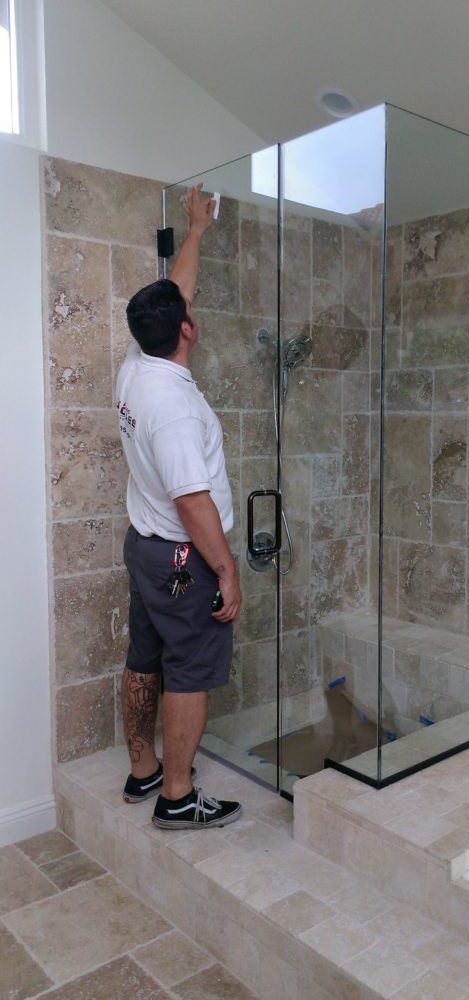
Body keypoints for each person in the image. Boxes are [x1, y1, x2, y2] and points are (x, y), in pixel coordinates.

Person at [116, 185, 243, 830]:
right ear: (186, 332)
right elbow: (194, 504)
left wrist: (197, 229)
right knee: (189, 669)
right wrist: (225, 569)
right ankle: (177, 793)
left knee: (145, 657)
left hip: (145, 545)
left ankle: (142, 771)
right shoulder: (176, 411)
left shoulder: (138, 364)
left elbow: (175, 294)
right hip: (181, 555)